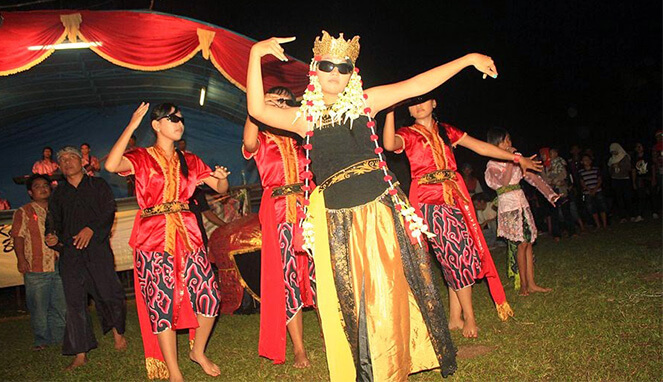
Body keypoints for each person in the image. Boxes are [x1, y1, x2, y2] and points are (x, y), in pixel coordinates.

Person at [247, 31, 500, 381]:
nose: (335, 73)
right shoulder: (304, 118)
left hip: (378, 210)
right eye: (327, 66)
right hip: (336, 220)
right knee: (355, 298)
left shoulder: (367, 102)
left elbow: (415, 85)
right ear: (315, 71)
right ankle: (371, 365)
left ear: (353, 72)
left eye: (344, 67)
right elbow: (256, 109)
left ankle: (398, 355)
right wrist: (256, 53)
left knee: (391, 287)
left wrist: (468, 58)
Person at [383, 96, 538, 338]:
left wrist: (517, 158)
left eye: (424, 100)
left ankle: (454, 316)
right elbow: (389, 144)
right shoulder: (408, 133)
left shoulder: (447, 131)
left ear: (434, 103)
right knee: (457, 253)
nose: (418, 105)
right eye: (412, 103)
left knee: (455, 255)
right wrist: (390, 111)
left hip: (455, 198)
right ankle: (469, 317)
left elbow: (481, 147)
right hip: (428, 203)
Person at [105, 102, 229, 382]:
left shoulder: (191, 160)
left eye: (181, 119)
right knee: (163, 303)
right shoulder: (141, 157)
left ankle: (198, 352)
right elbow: (112, 165)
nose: (178, 122)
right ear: (156, 125)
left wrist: (220, 180)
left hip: (188, 235)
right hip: (154, 238)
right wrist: (131, 125)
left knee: (210, 296)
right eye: (171, 118)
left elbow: (219, 188)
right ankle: (174, 372)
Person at [243, 86, 316, 367]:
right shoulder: (261, 139)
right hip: (278, 212)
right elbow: (248, 142)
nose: (282, 105)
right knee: (288, 278)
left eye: (287, 101)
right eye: (276, 101)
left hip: (308, 208)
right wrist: (258, 105)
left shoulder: (302, 138)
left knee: (318, 273)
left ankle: (335, 333)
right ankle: (299, 349)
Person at [45, 146, 127, 371]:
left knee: (109, 292)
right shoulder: (58, 194)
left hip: (97, 249)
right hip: (71, 252)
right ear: (59, 167)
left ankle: (118, 333)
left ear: (82, 161)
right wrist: (51, 237)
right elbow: (52, 222)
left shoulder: (98, 185)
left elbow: (108, 211)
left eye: (71, 158)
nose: (67, 162)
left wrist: (92, 229)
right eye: (62, 160)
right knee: (74, 301)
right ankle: (80, 352)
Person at [485, 128, 558, 296]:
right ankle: (524, 285)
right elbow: (503, 182)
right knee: (520, 244)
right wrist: (513, 159)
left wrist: (551, 195)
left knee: (528, 242)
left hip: (522, 204)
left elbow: (534, 179)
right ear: (495, 144)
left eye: (509, 140)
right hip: (508, 207)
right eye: (505, 141)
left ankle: (531, 283)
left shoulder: (518, 161)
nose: (509, 144)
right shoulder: (492, 165)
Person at [11, 174, 66, 350]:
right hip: (36, 267)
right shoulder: (23, 212)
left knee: (60, 305)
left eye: (45, 185)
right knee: (39, 308)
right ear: (30, 192)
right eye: (37, 186)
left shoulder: (58, 209)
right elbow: (18, 237)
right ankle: (41, 340)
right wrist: (21, 260)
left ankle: (59, 339)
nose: (43, 188)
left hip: (59, 265)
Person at [545, 148, 576, 241]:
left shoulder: (561, 162)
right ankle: (556, 234)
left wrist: (557, 180)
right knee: (554, 212)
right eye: (550, 153)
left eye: (553, 152)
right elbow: (545, 176)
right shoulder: (547, 164)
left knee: (566, 210)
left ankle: (572, 231)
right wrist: (552, 182)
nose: (551, 154)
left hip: (561, 189)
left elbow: (564, 174)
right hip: (552, 190)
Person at [578, 154, 608, 229]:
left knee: (602, 207)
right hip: (587, 192)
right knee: (591, 208)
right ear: (582, 162)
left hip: (597, 190)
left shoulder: (596, 169)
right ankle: (598, 224)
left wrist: (595, 189)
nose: (586, 161)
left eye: (588, 159)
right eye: (584, 160)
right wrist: (589, 190)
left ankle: (604, 224)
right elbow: (582, 182)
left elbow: (599, 180)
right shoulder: (581, 172)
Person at [608, 143, 635, 223]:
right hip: (615, 180)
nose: (614, 152)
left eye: (615, 150)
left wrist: (619, 165)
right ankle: (622, 216)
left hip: (625, 179)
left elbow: (629, 168)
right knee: (619, 198)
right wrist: (612, 167)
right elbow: (610, 172)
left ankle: (632, 215)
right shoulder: (611, 159)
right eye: (612, 151)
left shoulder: (625, 157)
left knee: (628, 197)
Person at [632, 142, 656, 220]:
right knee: (641, 196)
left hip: (648, 177)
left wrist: (653, 178)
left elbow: (652, 167)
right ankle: (640, 214)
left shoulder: (647, 156)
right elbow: (633, 171)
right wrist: (634, 182)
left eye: (640, 146)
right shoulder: (635, 158)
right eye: (637, 147)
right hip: (640, 179)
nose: (639, 148)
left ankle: (654, 212)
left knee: (652, 194)